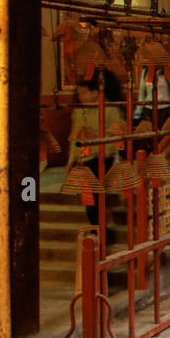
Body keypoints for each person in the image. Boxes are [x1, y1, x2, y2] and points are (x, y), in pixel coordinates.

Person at [65, 68, 127, 227]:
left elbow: (119, 134)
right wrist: (71, 160)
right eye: (80, 94)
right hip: (84, 159)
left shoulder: (110, 109)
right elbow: (74, 138)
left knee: (95, 194)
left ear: (95, 92)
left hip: (103, 157)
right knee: (89, 197)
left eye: (84, 93)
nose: (81, 97)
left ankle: (100, 228)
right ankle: (98, 227)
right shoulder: (79, 113)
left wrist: (115, 155)